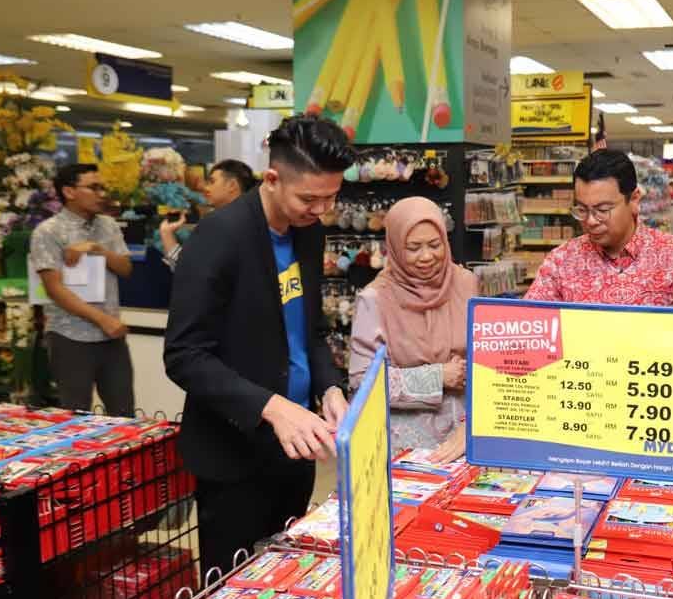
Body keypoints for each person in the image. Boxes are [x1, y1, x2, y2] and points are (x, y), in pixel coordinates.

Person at [164, 115, 355, 575]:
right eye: (310, 197)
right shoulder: (219, 237)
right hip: (234, 456)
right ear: (272, 178)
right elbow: (184, 354)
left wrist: (329, 387)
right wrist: (271, 406)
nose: (322, 209)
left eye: (332, 197)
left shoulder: (307, 231)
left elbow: (308, 328)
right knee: (232, 586)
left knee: (285, 577)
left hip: (294, 447)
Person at [349, 197, 478, 462]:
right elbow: (363, 382)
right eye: (413, 248)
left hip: (468, 435)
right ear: (395, 248)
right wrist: (438, 376)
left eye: (435, 244)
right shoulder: (375, 300)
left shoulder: (466, 284)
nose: (427, 257)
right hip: (408, 447)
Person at [29, 163, 135, 416]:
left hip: (111, 337)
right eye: (93, 187)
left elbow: (125, 268)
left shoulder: (108, 225)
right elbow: (54, 289)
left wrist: (98, 249)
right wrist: (103, 320)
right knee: (76, 415)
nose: (101, 194)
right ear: (69, 191)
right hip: (70, 336)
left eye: (103, 187)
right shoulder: (48, 231)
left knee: (124, 414)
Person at [525, 149, 673, 305]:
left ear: (633, 199)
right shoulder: (561, 261)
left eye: (602, 210)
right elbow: (531, 322)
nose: (590, 221)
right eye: (582, 209)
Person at [159, 159, 257, 271]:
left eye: (212, 182)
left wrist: (166, 233)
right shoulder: (252, 220)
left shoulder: (219, 223)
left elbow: (190, 271)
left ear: (232, 185)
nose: (206, 188)